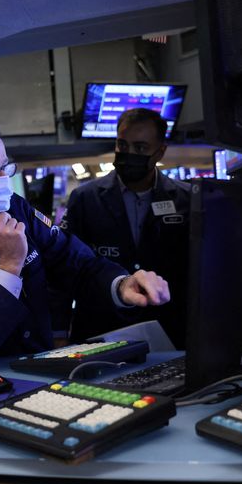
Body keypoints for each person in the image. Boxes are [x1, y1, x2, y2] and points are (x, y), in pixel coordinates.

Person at [0, 118, 171, 370]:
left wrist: (122, 284)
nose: (3, 180)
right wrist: (9, 266)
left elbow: (77, 263)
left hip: (37, 368)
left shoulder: (15, 208)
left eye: (5, 167)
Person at [59, 108, 191, 347]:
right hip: (100, 328)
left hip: (169, 331)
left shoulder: (187, 199)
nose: (129, 154)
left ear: (160, 151)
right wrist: (57, 331)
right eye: (123, 145)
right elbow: (64, 267)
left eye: (140, 148)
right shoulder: (85, 198)